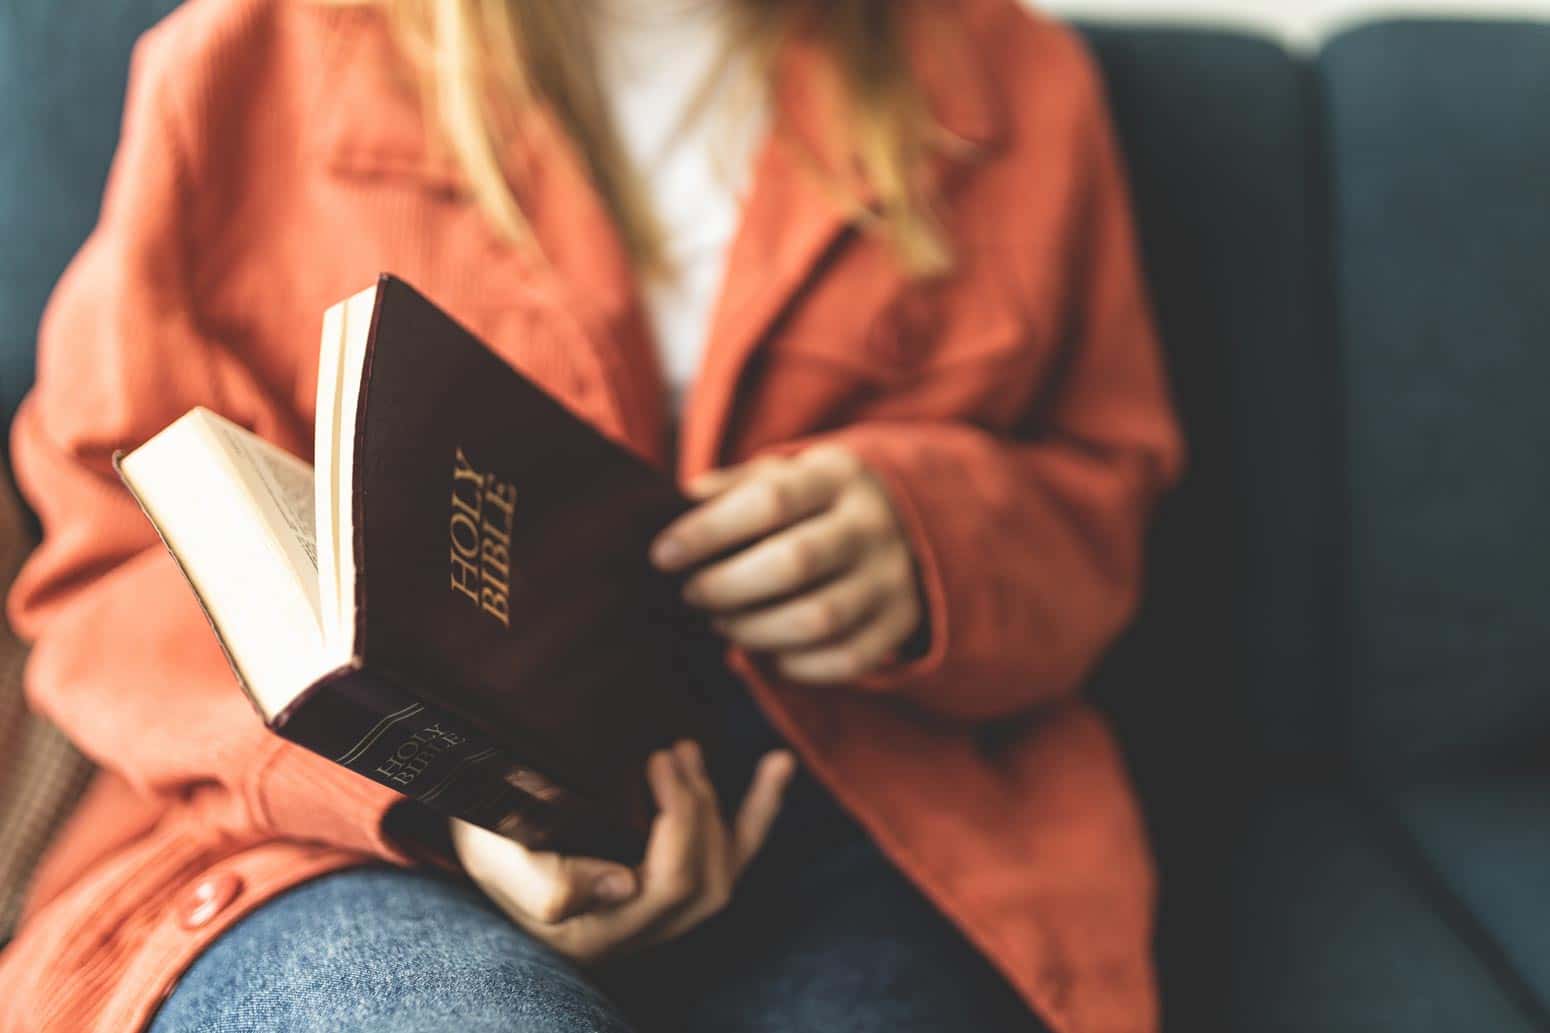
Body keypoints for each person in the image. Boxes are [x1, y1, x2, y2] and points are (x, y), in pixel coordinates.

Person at [0, 0, 1183, 1030]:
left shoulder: (1010, 80)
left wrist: (926, 540)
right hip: (333, 827)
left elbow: (1103, 496)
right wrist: (435, 804)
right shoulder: (250, 56)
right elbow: (113, 546)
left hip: (855, 809)